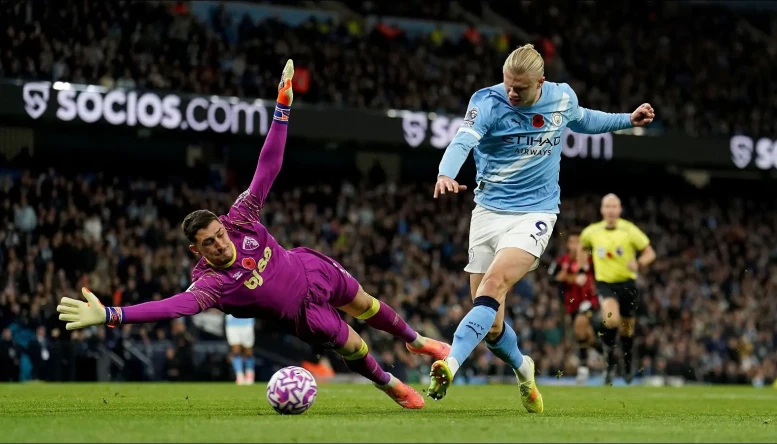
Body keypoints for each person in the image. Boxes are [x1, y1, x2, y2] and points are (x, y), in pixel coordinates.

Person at [57, 60, 450, 410]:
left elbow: (269, 166)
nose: (219, 242)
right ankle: (392, 385)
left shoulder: (240, 218)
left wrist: (282, 108)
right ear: (196, 249)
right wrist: (111, 314)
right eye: (209, 242)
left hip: (309, 265)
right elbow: (172, 306)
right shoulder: (211, 284)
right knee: (354, 345)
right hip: (303, 315)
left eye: (218, 234)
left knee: (365, 301)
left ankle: (415, 341)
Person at [429, 43, 655, 411]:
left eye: (520, 87)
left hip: (535, 213)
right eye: (507, 84)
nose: (512, 92)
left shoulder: (561, 98)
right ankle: (524, 368)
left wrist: (627, 119)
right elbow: (462, 141)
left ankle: (449, 364)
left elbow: (584, 119)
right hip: (487, 211)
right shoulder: (486, 101)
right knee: (493, 327)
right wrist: (445, 173)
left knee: (494, 284)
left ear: (541, 83)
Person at [578, 193, 656, 385]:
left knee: (627, 330)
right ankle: (610, 359)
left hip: (628, 285)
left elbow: (649, 253)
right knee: (612, 319)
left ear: (620, 209)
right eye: (607, 206)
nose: (611, 210)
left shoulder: (629, 230)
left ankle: (628, 363)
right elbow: (581, 246)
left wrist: (639, 263)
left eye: (614, 206)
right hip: (605, 284)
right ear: (602, 210)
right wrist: (582, 269)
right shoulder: (592, 232)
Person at [548, 231, 600, 384]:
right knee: (586, 336)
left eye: (579, 243)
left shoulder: (590, 261)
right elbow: (551, 278)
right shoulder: (561, 261)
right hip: (571, 305)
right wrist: (562, 278)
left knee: (579, 326)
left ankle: (583, 369)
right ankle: (606, 353)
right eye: (573, 242)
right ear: (568, 245)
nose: (576, 246)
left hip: (589, 301)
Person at [224, 314, 256, 385]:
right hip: (231, 324)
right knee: (236, 351)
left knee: (248, 352)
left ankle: (250, 374)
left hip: (247, 323)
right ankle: (239, 376)